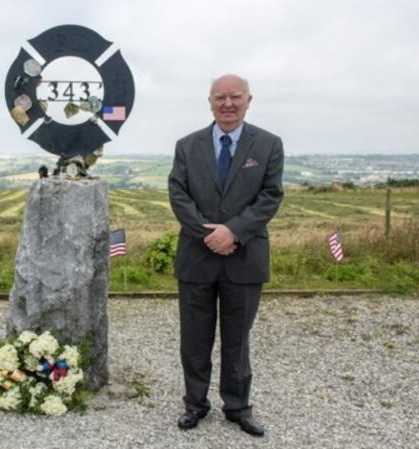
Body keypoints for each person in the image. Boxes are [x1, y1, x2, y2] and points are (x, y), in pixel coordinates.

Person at [168, 74, 284, 437]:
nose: (228, 104)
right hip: (197, 256)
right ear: (210, 101)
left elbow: (270, 196)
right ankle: (195, 404)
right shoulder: (187, 146)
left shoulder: (268, 144)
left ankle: (237, 407)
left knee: (237, 339)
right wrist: (210, 234)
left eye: (235, 97)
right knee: (195, 339)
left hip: (244, 257)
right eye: (221, 97)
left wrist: (233, 231)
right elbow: (178, 194)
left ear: (249, 100)